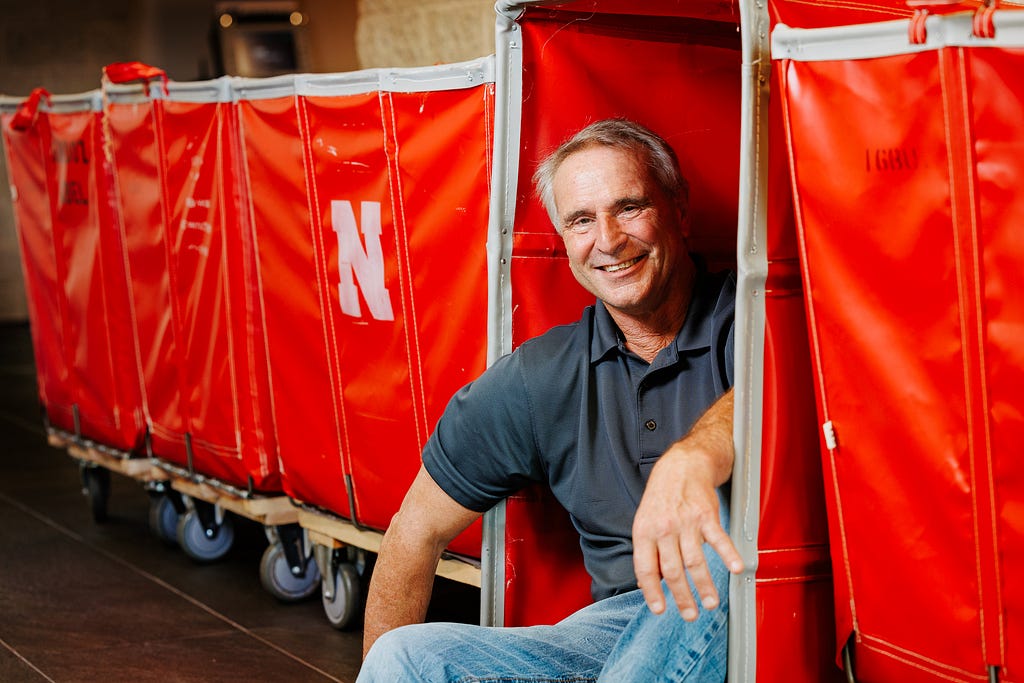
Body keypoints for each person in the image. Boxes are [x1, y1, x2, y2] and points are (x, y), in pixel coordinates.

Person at [358, 118, 744, 682]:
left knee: (732, 507)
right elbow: (414, 531)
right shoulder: (541, 378)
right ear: (564, 240)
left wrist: (696, 457)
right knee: (405, 658)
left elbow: (781, 389)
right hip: (610, 634)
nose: (608, 240)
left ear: (678, 210)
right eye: (582, 220)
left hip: (752, 616)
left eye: (630, 207)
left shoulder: (756, 316)